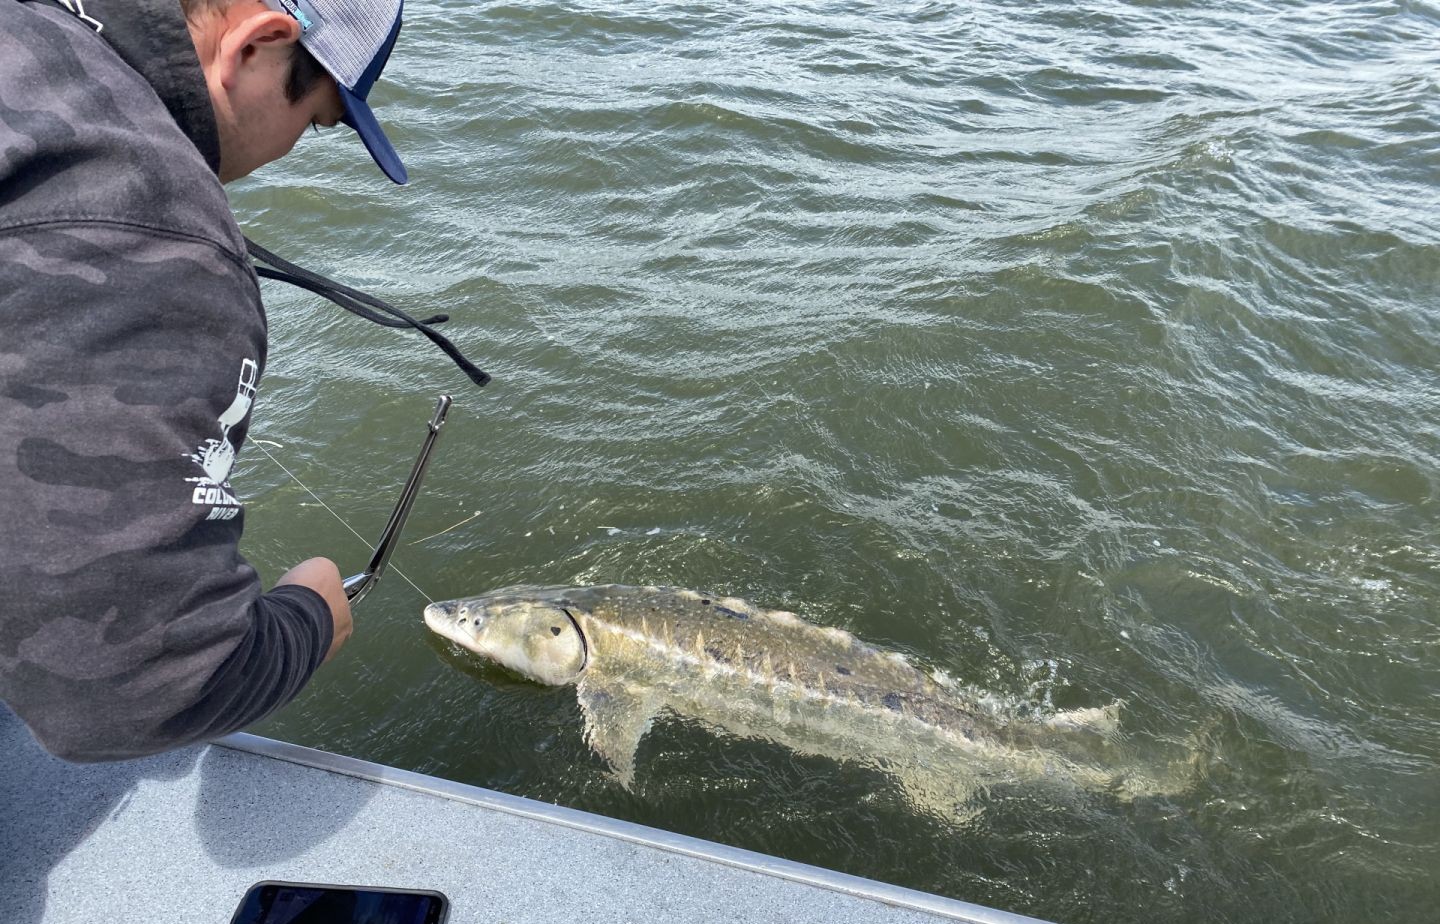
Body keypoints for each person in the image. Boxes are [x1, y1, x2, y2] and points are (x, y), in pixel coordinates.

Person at [0, 0, 411, 761]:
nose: (289, 148)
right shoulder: (149, 229)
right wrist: (310, 616)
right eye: (317, 123)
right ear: (260, 42)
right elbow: (127, 692)